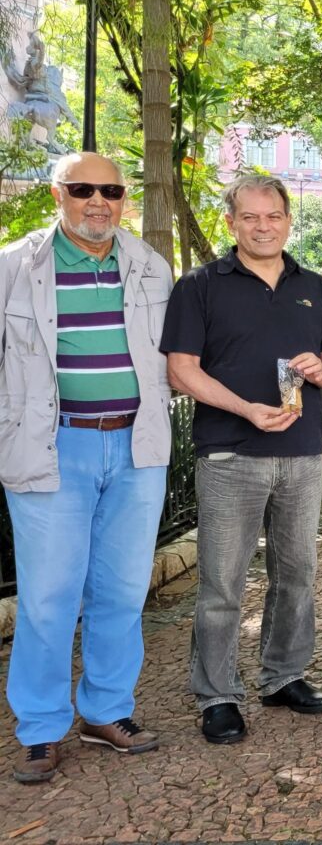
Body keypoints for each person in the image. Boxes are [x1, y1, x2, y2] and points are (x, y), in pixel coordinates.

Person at [0, 154, 172, 783]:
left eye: (111, 190)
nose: (97, 200)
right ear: (59, 194)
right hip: (53, 448)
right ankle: (41, 727)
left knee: (124, 591)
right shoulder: (15, 268)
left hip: (136, 448)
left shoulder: (151, 266)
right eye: (83, 189)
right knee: (48, 598)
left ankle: (105, 711)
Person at [163, 175, 322, 745]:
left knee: (297, 574)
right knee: (221, 582)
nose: (263, 226)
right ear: (232, 222)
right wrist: (244, 408)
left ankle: (284, 674)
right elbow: (181, 370)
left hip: (300, 452)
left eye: (273, 216)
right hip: (229, 453)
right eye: (251, 217)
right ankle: (217, 695)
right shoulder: (199, 286)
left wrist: (321, 369)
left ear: (289, 220)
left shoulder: (315, 285)